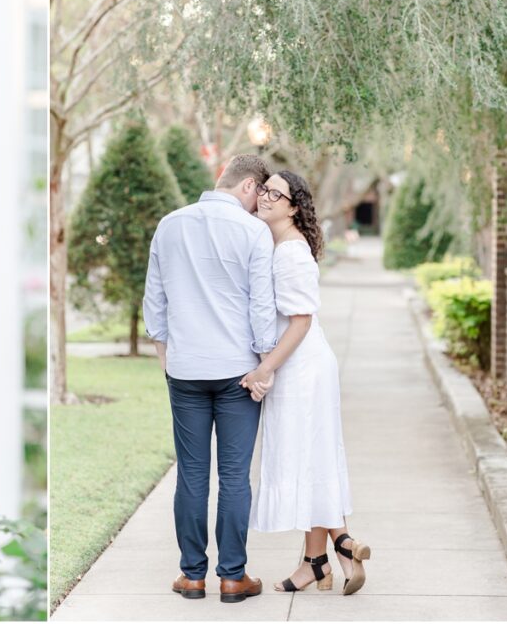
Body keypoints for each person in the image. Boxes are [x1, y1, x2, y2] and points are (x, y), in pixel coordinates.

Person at [143, 154, 277, 603]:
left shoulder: (170, 224)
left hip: (185, 370)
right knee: (235, 475)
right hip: (239, 371)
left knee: (192, 474)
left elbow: (154, 303)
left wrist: (167, 358)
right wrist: (264, 366)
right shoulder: (254, 231)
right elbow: (261, 309)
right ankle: (234, 577)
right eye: (262, 195)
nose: (263, 205)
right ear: (249, 187)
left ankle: (193, 575)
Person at [241, 170, 371, 595]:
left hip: (302, 367)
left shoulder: (291, 252)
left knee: (307, 460)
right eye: (263, 189)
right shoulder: (278, 244)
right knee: (311, 460)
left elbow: (300, 322)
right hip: (298, 364)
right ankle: (325, 556)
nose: (265, 198)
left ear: (294, 206)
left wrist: (265, 369)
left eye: (276, 193)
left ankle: (333, 550)